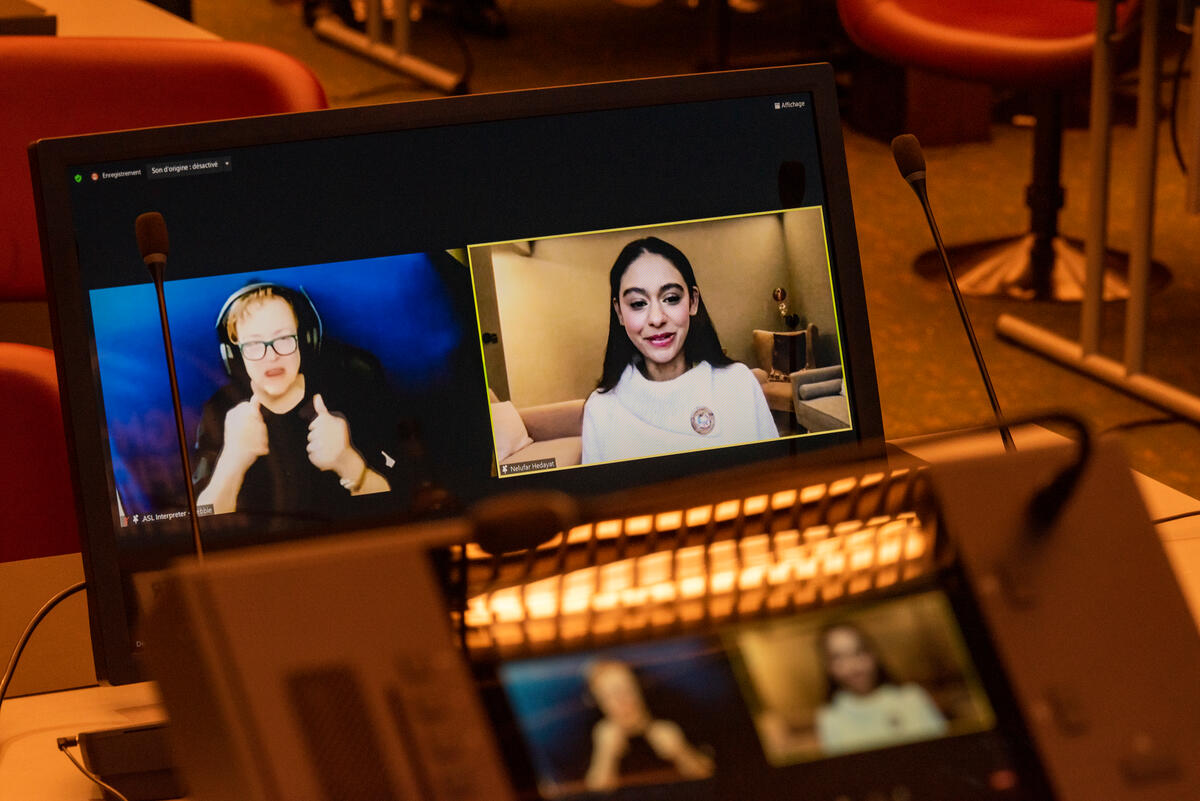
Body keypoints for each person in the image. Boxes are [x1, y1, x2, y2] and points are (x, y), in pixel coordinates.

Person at [192, 283, 398, 518]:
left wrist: (348, 463)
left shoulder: (350, 392)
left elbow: (401, 498)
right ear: (234, 354)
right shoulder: (218, 410)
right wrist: (232, 462)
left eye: (283, 338)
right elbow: (202, 517)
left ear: (304, 340)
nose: (271, 356)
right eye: (253, 344)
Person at [580, 237, 777, 464]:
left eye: (671, 298)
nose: (656, 319)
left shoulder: (738, 382)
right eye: (638, 303)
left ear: (693, 301)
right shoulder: (601, 408)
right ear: (619, 313)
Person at [813, 621, 947, 756]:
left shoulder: (912, 697)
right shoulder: (830, 717)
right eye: (838, 658)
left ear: (873, 653)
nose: (853, 666)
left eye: (858, 652)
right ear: (827, 666)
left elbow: (943, 749)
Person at [584, 660, 715, 792]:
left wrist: (681, 752)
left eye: (627, 688)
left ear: (639, 687)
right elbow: (589, 793)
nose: (622, 700)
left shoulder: (678, 715)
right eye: (610, 695)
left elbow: (712, 778)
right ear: (598, 701)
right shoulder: (588, 738)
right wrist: (604, 758)